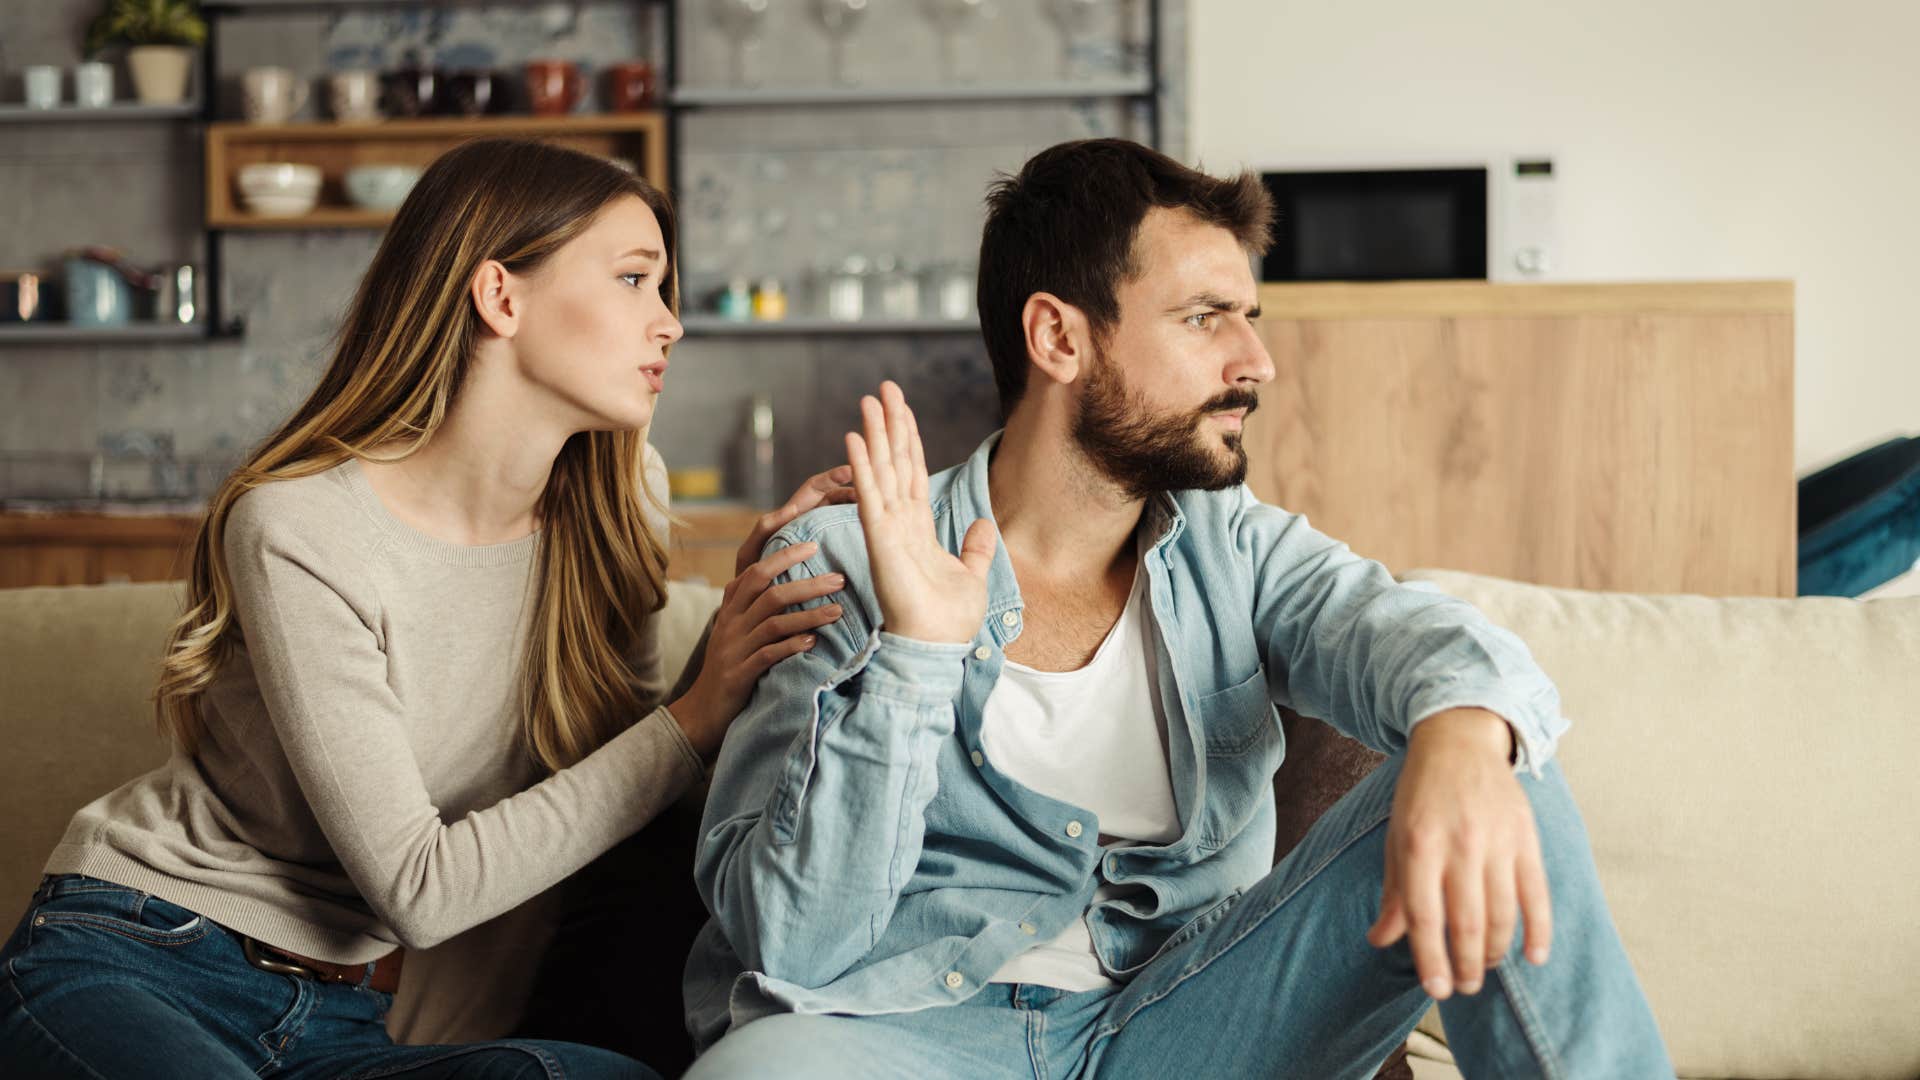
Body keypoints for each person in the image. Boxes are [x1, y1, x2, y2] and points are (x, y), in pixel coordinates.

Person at [681, 139, 1675, 1078]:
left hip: (1190, 1027)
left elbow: (1401, 632)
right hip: (905, 1038)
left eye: (1250, 317)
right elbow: (792, 943)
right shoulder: (843, 561)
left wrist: (1459, 734)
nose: (1256, 362)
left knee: (1503, 763)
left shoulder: (1236, 549)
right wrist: (914, 656)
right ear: (1059, 337)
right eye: (1206, 318)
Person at [0, 139, 854, 1080]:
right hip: (145, 961)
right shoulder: (301, 525)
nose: (670, 324)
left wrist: (739, 622)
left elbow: (617, 780)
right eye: (633, 279)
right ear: (500, 297)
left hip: (348, 1025)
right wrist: (694, 716)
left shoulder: (620, 499)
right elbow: (420, 887)